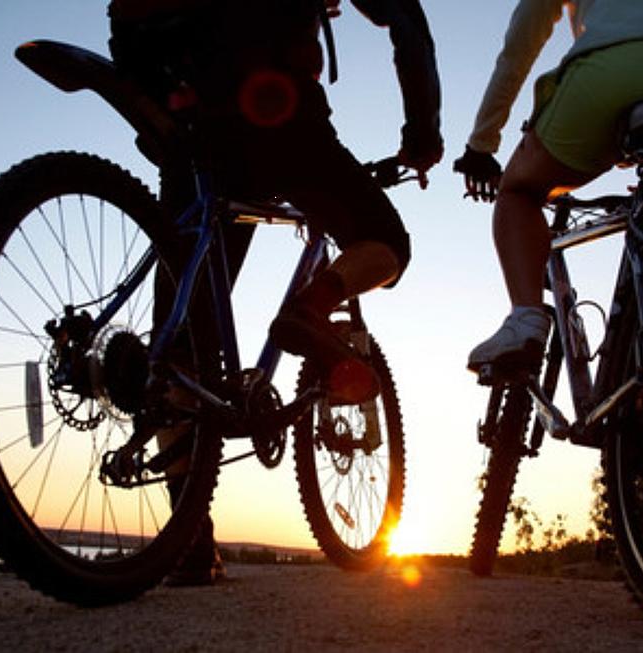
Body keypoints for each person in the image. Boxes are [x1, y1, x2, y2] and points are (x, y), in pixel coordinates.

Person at [107, 0, 442, 582]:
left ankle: (187, 545)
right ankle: (312, 307)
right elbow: (406, 20)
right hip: (278, 118)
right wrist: (422, 132)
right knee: (386, 242)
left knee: (181, 348)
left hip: (183, 123)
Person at [453, 0, 643, 374]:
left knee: (519, 191)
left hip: (620, 68)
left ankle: (526, 320)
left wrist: (482, 143)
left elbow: (522, 40)